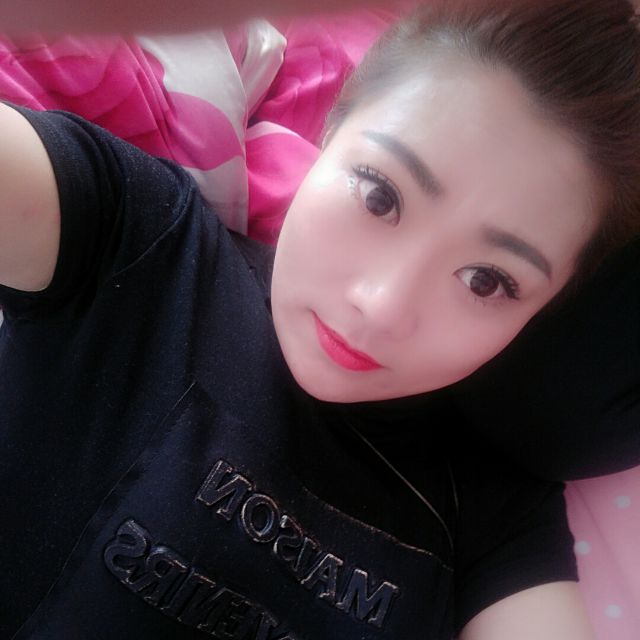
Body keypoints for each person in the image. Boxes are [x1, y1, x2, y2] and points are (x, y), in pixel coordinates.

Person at [1, 0, 639, 638]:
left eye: (487, 281)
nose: (381, 306)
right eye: (379, 196)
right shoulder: (138, 237)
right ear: (332, 128)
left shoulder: (496, 511)